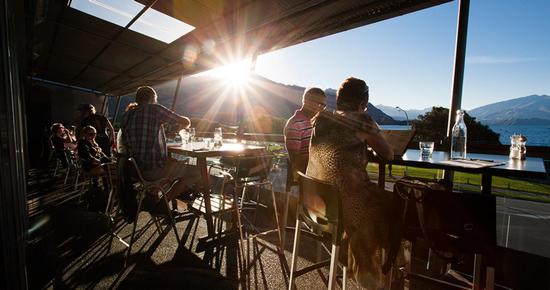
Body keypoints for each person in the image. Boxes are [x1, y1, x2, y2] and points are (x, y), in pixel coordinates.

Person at [307, 77, 403, 289]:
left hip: (318, 204)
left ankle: (372, 267)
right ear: (363, 102)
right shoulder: (363, 120)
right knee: (395, 207)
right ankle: (384, 271)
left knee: (377, 200)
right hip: (347, 206)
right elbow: (387, 154)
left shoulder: (321, 119)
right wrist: (370, 125)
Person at [120, 86, 200, 203]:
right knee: (196, 172)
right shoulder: (155, 109)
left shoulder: (126, 115)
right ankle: (162, 203)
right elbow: (186, 122)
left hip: (134, 169)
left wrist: (166, 133)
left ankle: (152, 194)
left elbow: (135, 138)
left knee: (172, 161)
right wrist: (176, 130)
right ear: (153, 98)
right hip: (151, 170)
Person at [283, 87, 327, 184]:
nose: (322, 109)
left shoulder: (313, 122)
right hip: (306, 176)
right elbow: (295, 161)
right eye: (320, 104)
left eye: (324, 106)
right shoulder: (296, 124)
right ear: (307, 102)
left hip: (315, 173)